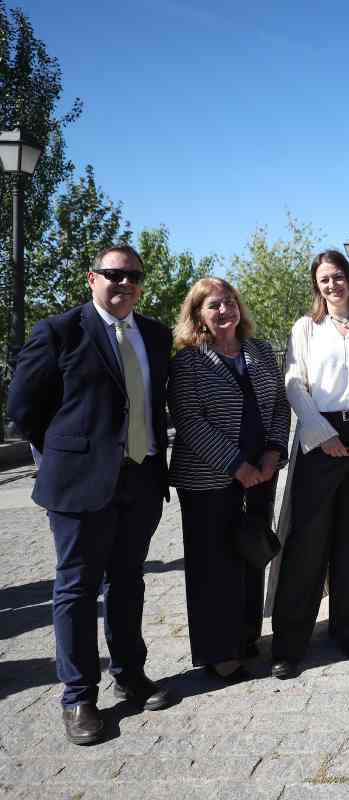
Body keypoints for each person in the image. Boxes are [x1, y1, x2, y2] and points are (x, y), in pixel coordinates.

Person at [8, 244, 174, 745]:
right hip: (81, 484)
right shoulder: (60, 331)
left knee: (128, 583)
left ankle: (129, 675)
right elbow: (22, 407)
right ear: (92, 278)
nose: (123, 283)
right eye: (113, 275)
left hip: (140, 481)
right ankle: (78, 696)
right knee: (77, 589)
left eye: (133, 276)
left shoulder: (154, 335)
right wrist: (64, 454)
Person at [267, 250, 349, 679]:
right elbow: (293, 383)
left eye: (337, 277)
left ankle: (347, 630)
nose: (331, 285)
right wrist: (321, 434)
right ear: (316, 285)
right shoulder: (306, 329)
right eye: (323, 280)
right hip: (317, 439)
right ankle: (290, 643)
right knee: (307, 543)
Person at [167, 278, 290, 683]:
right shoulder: (188, 361)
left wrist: (273, 452)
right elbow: (189, 421)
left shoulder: (261, 351)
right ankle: (218, 652)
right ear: (198, 314)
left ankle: (246, 637)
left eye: (230, 302)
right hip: (209, 479)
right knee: (212, 565)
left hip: (261, 474)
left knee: (251, 554)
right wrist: (238, 466)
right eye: (214, 305)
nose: (224, 311)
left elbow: (278, 405)